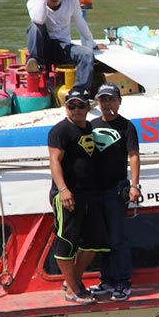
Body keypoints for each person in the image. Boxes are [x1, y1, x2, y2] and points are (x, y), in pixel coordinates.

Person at [48, 88, 108, 304]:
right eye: (71, 105)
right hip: (68, 195)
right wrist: (63, 189)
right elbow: (54, 161)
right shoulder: (60, 131)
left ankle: (73, 279)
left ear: (87, 107)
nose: (75, 110)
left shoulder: (90, 128)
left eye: (80, 105)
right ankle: (73, 290)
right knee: (67, 240)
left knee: (95, 241)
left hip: (89, 195)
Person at [90, 82, 141, 301]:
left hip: (116, 190)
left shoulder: (127, 126)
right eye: (103, 99)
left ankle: (123, 282)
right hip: (94, 192)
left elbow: (134, 156)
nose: (107, 103)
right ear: (97, 102)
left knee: (117, 238)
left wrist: (134, 185)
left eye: (111, 99)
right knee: (102, 239)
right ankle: (107, 280)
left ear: (119, 101)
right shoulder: (90, 125)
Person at [26, 0, 105, 91]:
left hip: (62, 47)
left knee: (86, 54)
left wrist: (92, 43)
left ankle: (79, 92)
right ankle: (36, 64)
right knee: (35, 26)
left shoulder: (71, 0)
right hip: (42, 48)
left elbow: (80, 22)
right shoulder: (34, 2)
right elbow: (39, 19)